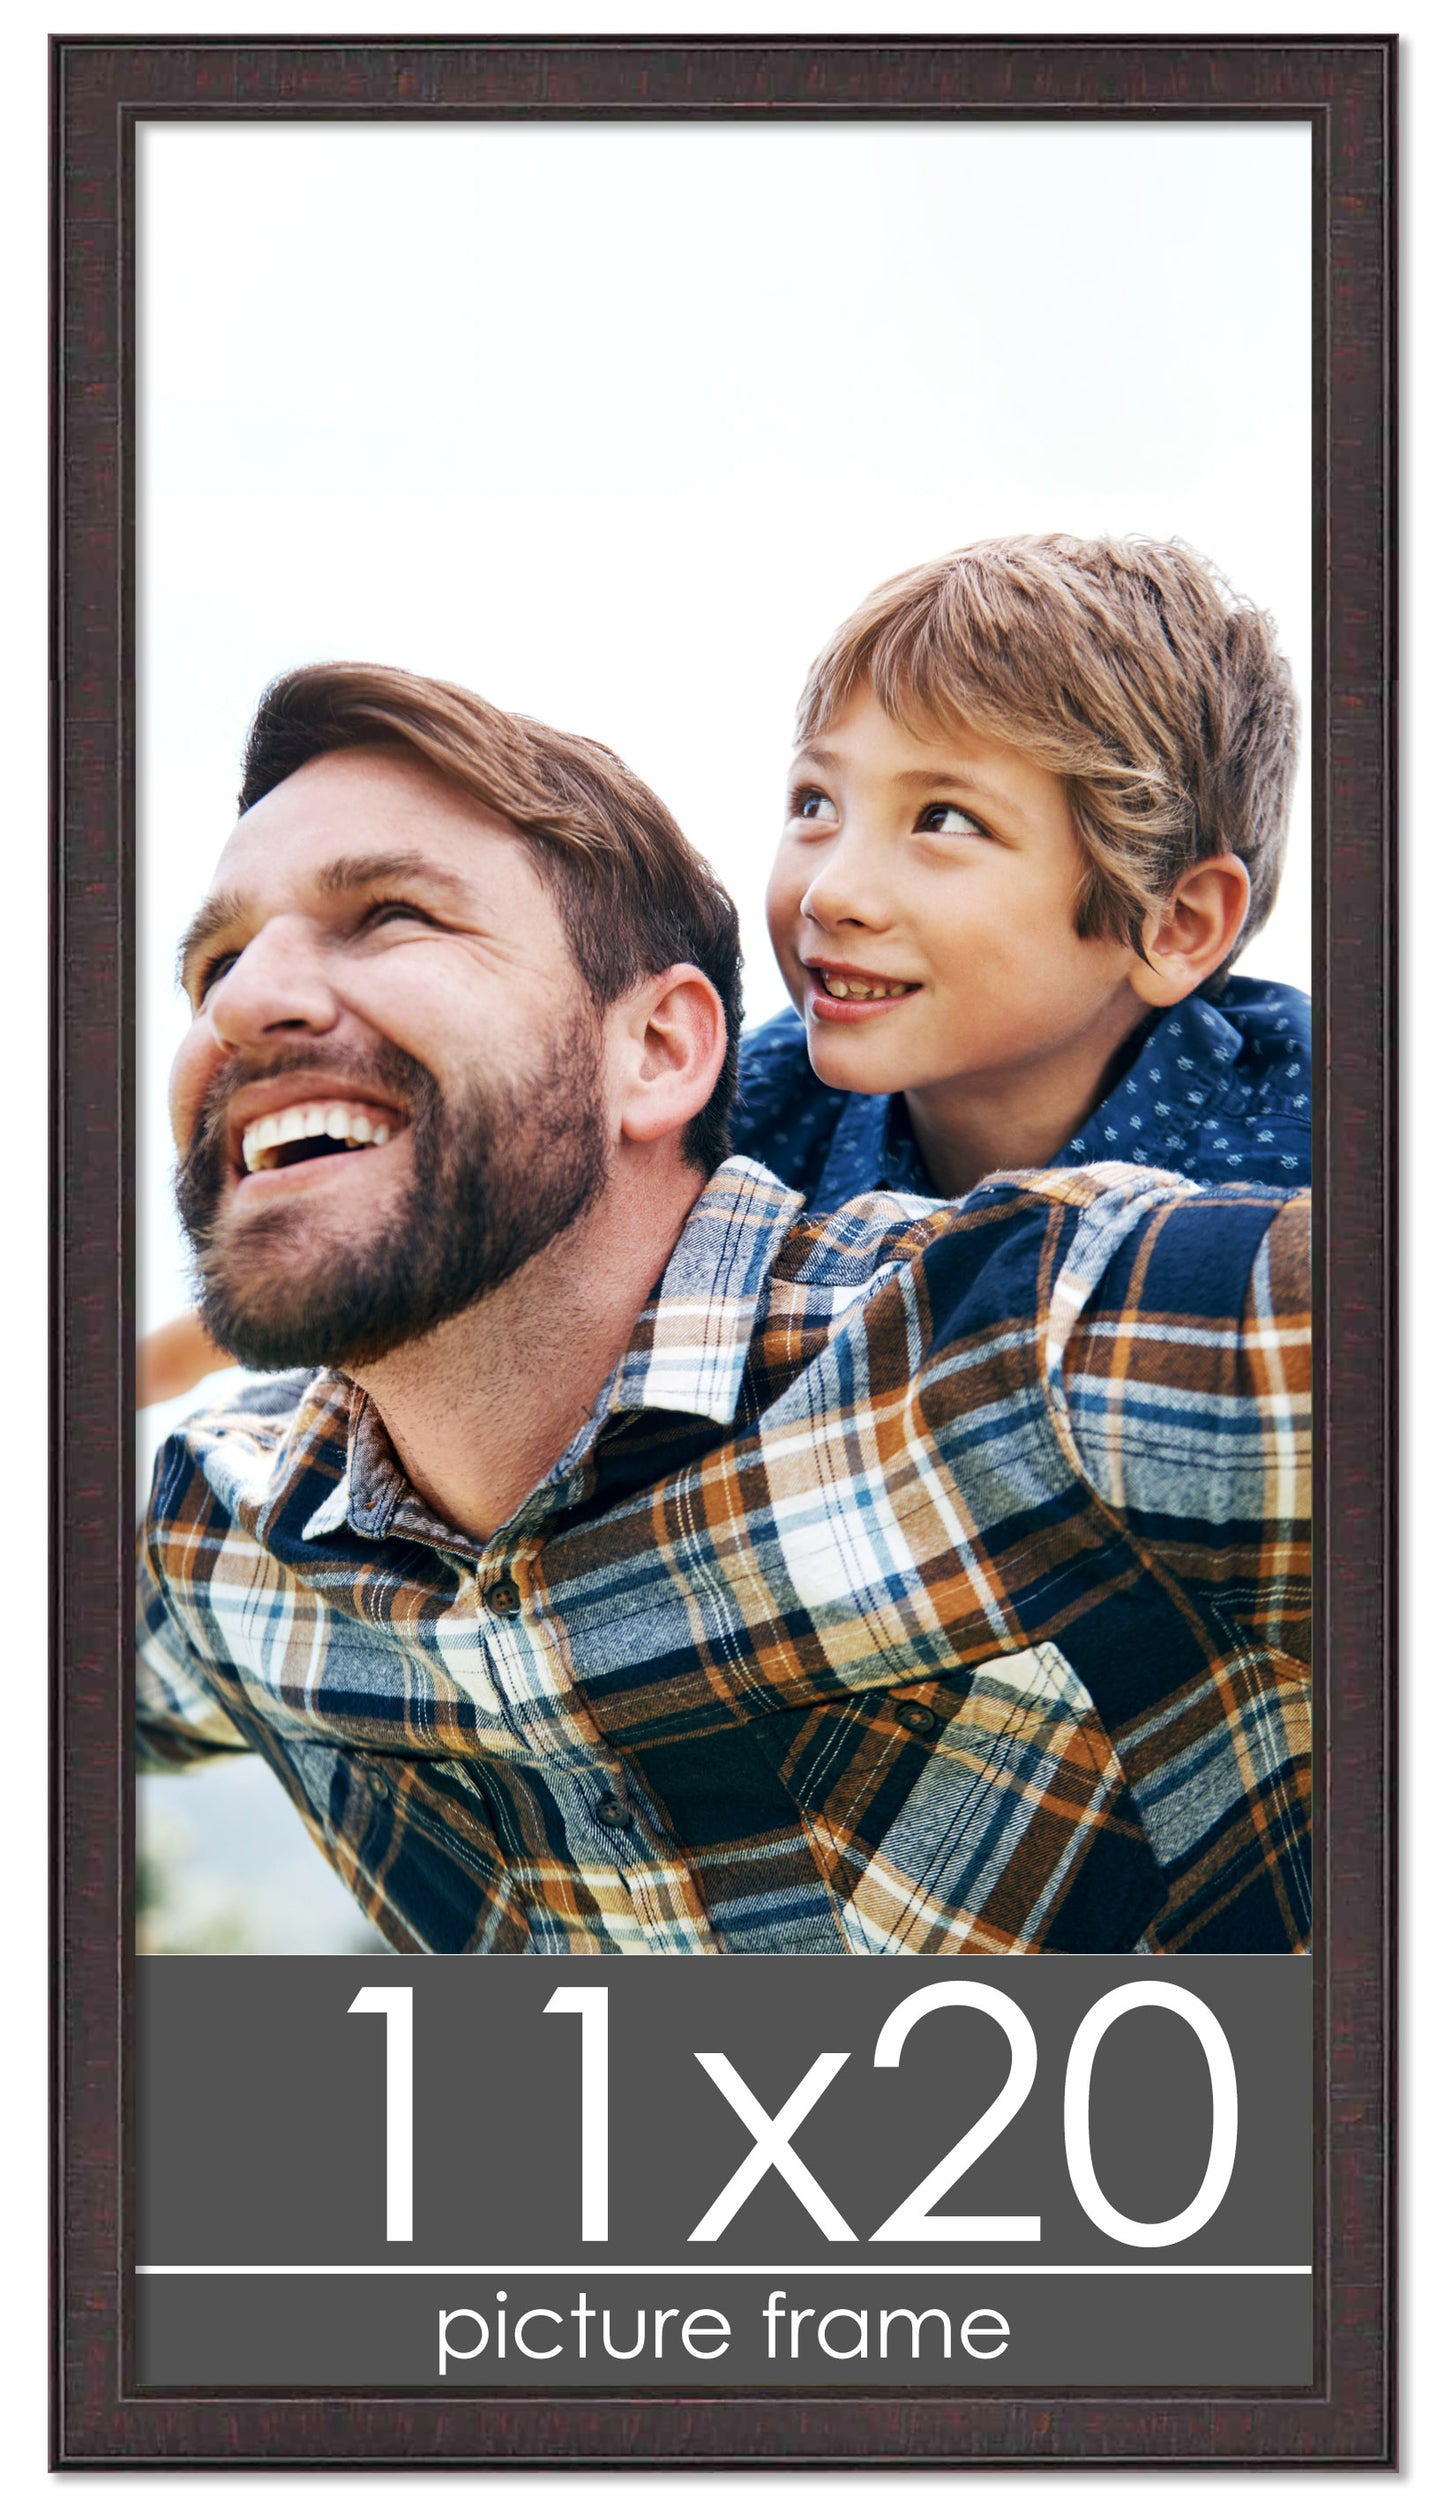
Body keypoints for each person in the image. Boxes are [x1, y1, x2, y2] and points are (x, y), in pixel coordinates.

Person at [138, 662, 1311, 1956]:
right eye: (218, 960)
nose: (243, 1000)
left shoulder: (1039, 1351)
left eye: (394, 915)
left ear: (656, 1053)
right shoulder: (226, 1536)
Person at [734, 535, 1310, 1208]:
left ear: (1173, 924)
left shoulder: (1328, 1172)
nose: (829, 893)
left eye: (945, 819)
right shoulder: (725, 1128)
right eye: (817, 803)